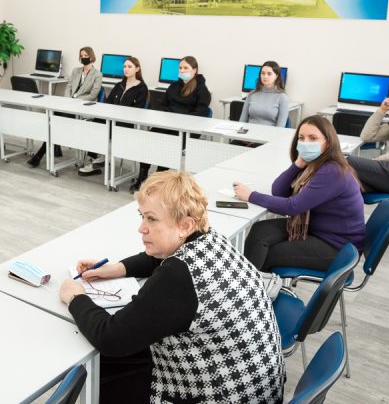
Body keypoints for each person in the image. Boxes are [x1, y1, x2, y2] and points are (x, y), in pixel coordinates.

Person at [59, 171, 284, 403]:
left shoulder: (178, 275)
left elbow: (110, 338)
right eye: (142, 216)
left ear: (185, 225)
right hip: (255, 387)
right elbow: (159, 255)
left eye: (152, 219)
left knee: (106, 366)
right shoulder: (210, 239)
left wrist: (76, 297)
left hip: (222, 395)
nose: (141, 228)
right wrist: (117, 268)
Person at [234, 115, 365, 272]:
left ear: (328, 142)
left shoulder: (332, 171)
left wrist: (250, 196)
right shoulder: (314, 165)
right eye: (301, 138)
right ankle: (246, 278)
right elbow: (279, 191)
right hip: (318, 230)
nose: (305, 143)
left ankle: (247, 283)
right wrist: (298, 164)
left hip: (338, 248)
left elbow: (293, 206)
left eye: (313, 138)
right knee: (260, 230)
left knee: (266, 254)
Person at [131, 56, 211, 193]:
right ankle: (142, 177)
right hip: (167, 125)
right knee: (148, 139)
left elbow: (201, 114)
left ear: (194, 70)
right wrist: (168, 117)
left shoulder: (202, 90)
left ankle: (157, 181)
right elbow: (163, 105)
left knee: (166, 144)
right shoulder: (174, 86)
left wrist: (179, 118)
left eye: (186, 68)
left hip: (186, 129)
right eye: (180, 68)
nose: (182, 70)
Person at [27, 47, 103, 168]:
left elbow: (93, 94)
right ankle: (50, 149)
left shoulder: (97, 74)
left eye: (86, 55)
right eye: (81, 56)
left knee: (57, 122)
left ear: (91, 57)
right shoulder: (75, 71)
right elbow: (68, 87)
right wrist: (68, 99)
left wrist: (76, 101)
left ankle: (41, 154)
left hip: (83, 108)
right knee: (54, 116)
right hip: (70, 105)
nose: (83, 58)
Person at [78, 56, 148, 176]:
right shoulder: (119, 85)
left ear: (137, 69)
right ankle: (94, 160)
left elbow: (137, 112)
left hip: (126, 123)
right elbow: (108, 104)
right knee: (95, 124)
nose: (126, 69)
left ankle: (102, 158)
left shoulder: (142, 88)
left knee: (103, 128)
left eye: (130, 67)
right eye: (125, 66)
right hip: (111, 119)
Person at [239, 60, 289, 127]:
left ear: (276, 76)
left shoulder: (282, 97)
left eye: (269, 74)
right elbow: (242, 120)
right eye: (263, 73)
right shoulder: (252, 94)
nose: (265, 76)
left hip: (270, 133)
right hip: (250, 131)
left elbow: (280, 127)